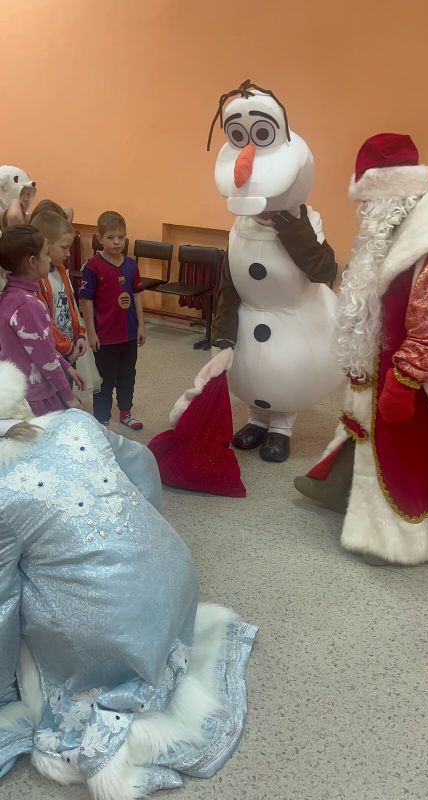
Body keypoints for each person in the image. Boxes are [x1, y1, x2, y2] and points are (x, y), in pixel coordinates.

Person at [0, 359, 257, 796]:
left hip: (113, 626)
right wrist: (142, 534)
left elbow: (3, 604)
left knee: (27, 581)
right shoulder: (74, 421)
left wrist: (5, 693)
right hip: (177, 577)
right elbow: (143, 462)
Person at [295, 132, 428, 565]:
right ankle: (337, 485)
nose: (363, 211)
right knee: (363, 430)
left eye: (368, 201)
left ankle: (394, 537)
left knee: (403, 455)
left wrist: (404, 382)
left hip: (415, 378)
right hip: (379, 360)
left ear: (390, 194)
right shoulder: (392, 232)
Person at [208, 80, 342, 463]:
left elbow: (324, 270)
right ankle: (256, 419)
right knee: (254, 373)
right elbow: (230, 285)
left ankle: (282, 427)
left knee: (286, 371)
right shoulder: (239, 227)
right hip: (251, 318)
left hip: (295, 321)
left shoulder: (306, 222)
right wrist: (223, 336)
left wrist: (288, 225)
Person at [0, 225, 83, 414]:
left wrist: (66, 366)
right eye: (46, 253)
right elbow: (45, 358)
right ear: (32, 262)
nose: (49, 258)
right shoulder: (27, 305)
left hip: (21, 390)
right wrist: (69, 397)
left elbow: (41, 346)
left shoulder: (14, 295)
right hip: (35, 397)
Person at [79, 211, 145, 430]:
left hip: (128, 334)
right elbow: (86, 301)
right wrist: (91, 332)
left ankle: (125, 412)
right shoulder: (92, 267)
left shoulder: (132, 265)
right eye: (110, 237)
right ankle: (101, 419)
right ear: (99, 238)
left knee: (127, 376)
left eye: (121, 237)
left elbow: (137, 296)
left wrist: (141, 326)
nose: (117, 242)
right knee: (104, 380)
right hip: (105, 336)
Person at [31, 210, 86, 363]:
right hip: (52, 354)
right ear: (45, 245)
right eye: (64, 247)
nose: (69, 254)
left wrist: (80, 334)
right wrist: (66, 348)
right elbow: (45, 321)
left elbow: (70, 305)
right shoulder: (37, 280)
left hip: (69, 346)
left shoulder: (61, 269)